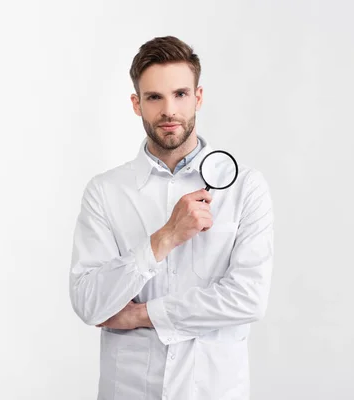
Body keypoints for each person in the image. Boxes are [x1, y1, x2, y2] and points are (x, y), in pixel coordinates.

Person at [69, 36, 274, 400]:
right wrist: (164, 238)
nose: (169, 111)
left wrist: (141, 314)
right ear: (137, 104)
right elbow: (88, 302)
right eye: (154, 97)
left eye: (180, 94)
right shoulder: (105, 192)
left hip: (214, 390)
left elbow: (248, 298)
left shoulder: (246, 187)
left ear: (198, 97)